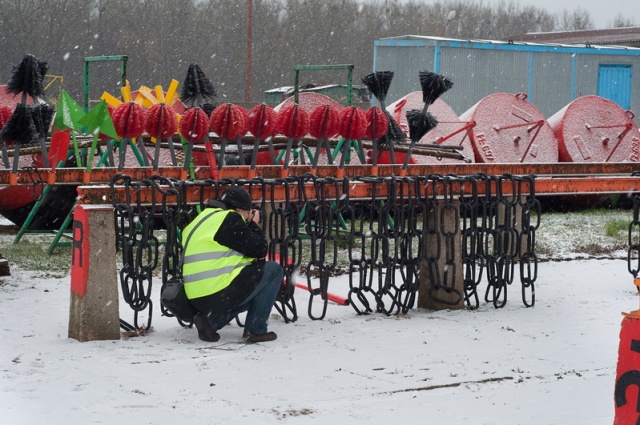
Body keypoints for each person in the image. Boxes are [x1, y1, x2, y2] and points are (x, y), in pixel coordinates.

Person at [181, 186, 283, 343]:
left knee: (251, 286)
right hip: (215, 293)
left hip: (196, 295)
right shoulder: (228, 219)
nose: (248, 216)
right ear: (237, 209)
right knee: (273, 270)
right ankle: (256, 330)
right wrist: (254, 225)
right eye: (247, 212)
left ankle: (211, 323)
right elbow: (259, 248)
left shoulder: (203, 219)